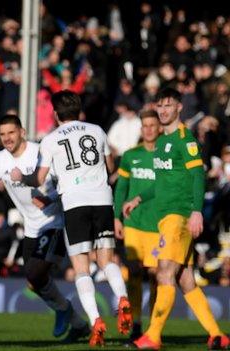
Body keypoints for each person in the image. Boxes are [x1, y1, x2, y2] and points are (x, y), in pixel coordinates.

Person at [122, 88, 230, 350]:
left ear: (179, 108)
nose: (163, 110)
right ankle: (217, 334)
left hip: (178, 217)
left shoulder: (186, 140)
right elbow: (162, 182)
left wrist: (195, 212)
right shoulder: (161, 143)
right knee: (185, 280)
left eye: (168, 105)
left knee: (164, 272)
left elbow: (197, 176)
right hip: (166, 217)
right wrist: (138, 198)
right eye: (160, 105)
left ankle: (153, 335)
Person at [23, 90, 132, 346]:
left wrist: (22, 178)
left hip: (75, 203)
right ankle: (122, 297)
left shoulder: (50, 140)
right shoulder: (97, 130)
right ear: (79, 111)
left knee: (82, 267)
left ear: (56, 114)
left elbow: (39, 179)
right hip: (103, 199)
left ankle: (95, 322)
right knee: (106, 260)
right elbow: (111, 167)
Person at [0, 115, 90, 341]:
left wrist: (50, 199)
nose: (7, 138)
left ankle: (65, 311)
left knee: (35, 273)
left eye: (11, 133)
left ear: (22, 132)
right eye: (2, 134)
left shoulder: (41, 152)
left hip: (55, 223)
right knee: (33, 282)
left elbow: (66, 183)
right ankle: (77, 322)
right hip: (31, 228)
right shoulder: (0, 159)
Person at [113, 110, 161, 343]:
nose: (149, 129)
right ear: (141, 129)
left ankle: (154, 328)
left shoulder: (166, 158)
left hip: (157, 226)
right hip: (133, 223)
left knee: (155, 277)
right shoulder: (131, 155)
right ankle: (136, 326)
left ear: (159, 128)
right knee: (134, 274)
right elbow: (121, 188)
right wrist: (116, 218)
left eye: (153, 125)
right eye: (145, 126)